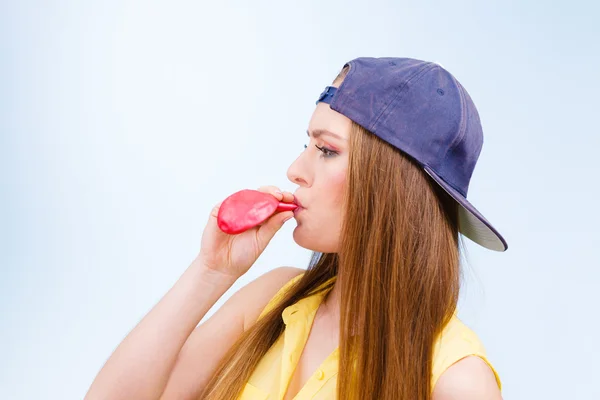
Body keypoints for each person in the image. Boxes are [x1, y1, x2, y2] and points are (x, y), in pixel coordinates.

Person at [85, 57, 507, 400]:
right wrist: (211, 271)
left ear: (393, 185)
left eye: (326, 150)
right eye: (306, 145)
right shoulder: (274, 299)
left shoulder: (456, 381)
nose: (294, 171)